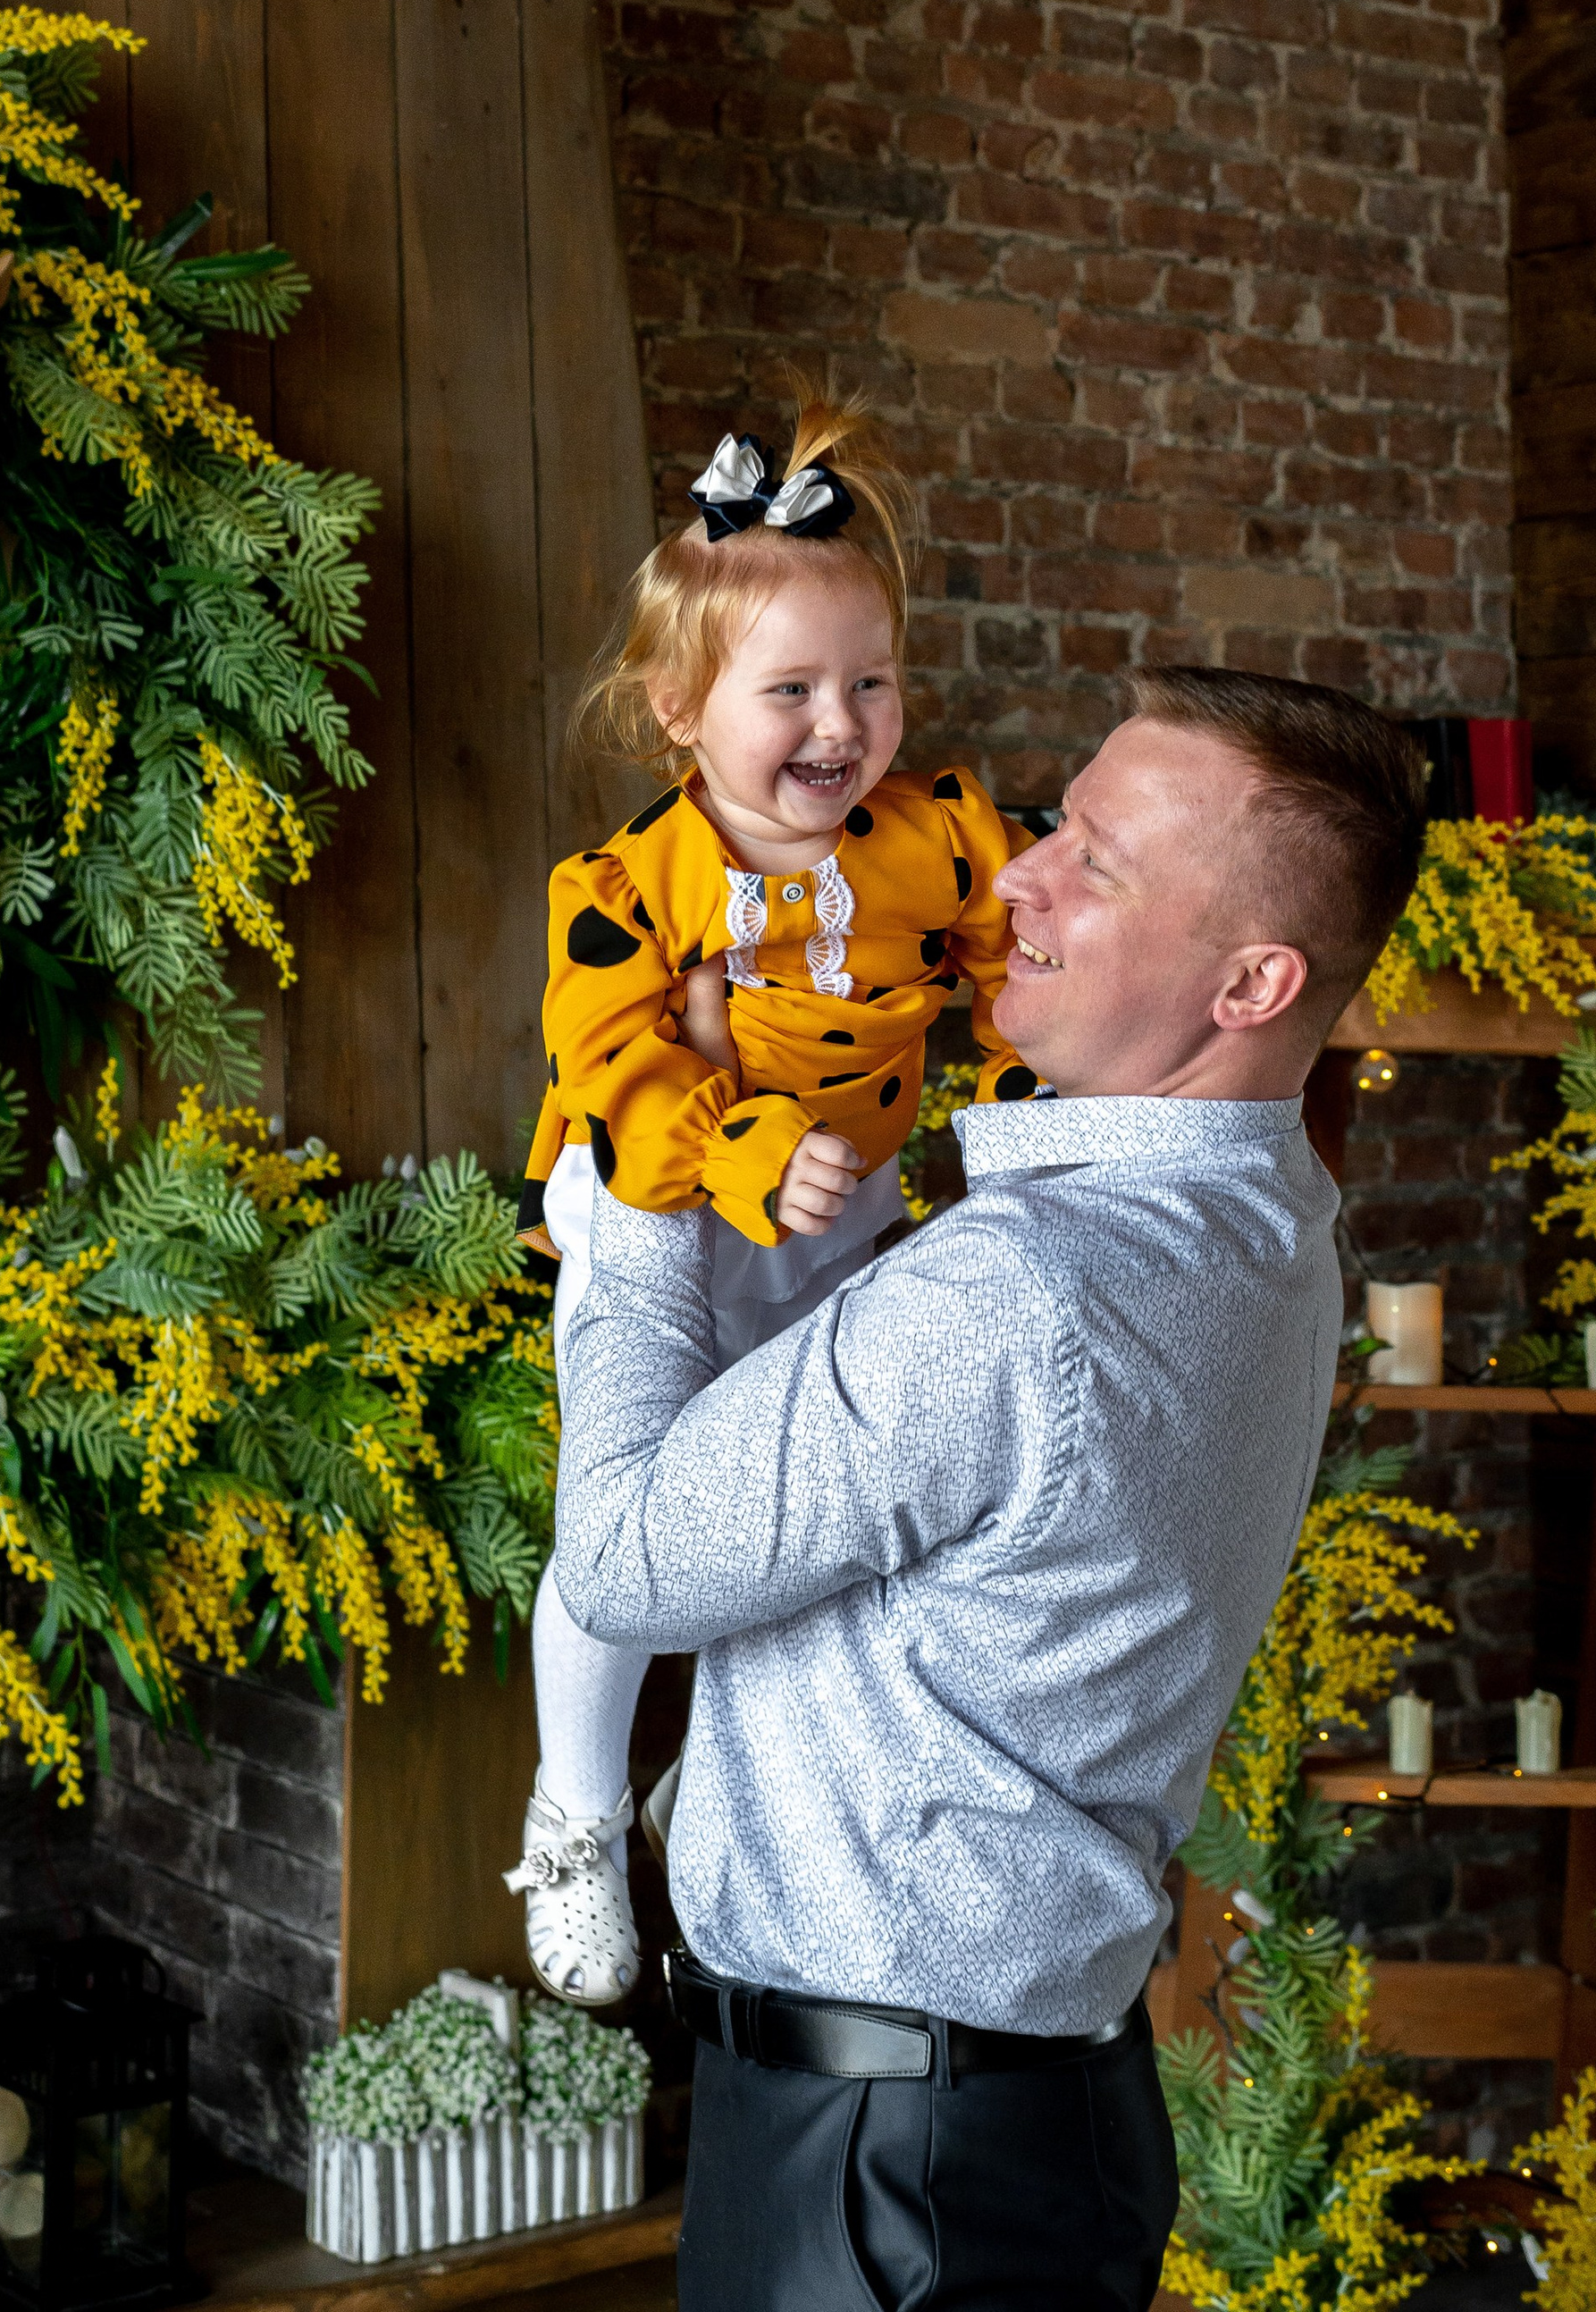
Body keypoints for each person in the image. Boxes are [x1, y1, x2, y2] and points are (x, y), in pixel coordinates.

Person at [551, 665, 1431, 2312]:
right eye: (1049, 827)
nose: (1010, 877)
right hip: (1015, 2124)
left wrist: (646, 1172)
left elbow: (617, 1556)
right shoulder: (1276, 1226)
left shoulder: (1022, 1293)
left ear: (1254, 980)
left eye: (1093, 863)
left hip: (886, 2179)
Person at [507, 391, 1041, 2007]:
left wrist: (1014, 1123)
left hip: (847, 1215)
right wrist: (739, 1146)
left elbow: (1012, 972)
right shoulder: (627, 888)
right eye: (792, 690)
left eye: (869, 683)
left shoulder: (931, 840)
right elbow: (610, 1064)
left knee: (809, 1510)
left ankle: (723, 1777)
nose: (842, 725)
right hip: (655, 1200)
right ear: (678, 706)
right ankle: (581, 1808)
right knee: (623, 1523)